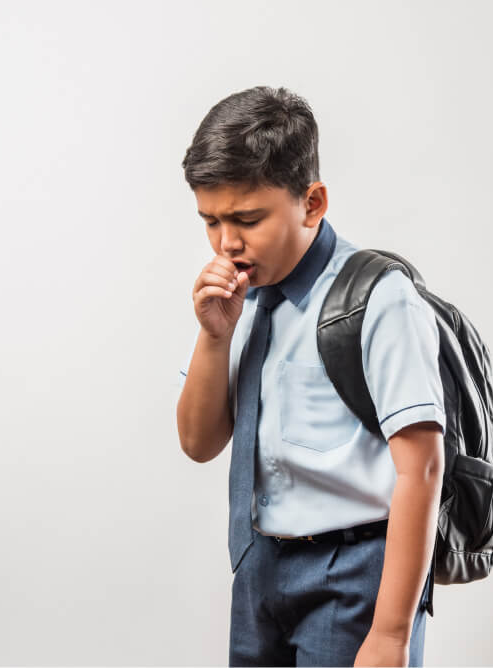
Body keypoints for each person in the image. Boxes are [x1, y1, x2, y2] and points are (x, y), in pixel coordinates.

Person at [175, 85, 445, 667]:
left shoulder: (378, 300)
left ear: (312, 202)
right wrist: (214, 335)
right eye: (210, 221)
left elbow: (421, 467)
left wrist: (391, 633)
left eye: (248, 219)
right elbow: (199, 443)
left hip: (355, 574)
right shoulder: (239, 296)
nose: (227, 243)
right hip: (259, 566)